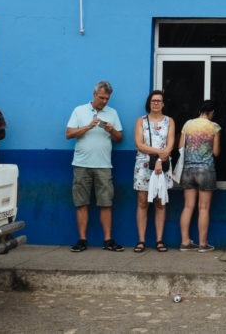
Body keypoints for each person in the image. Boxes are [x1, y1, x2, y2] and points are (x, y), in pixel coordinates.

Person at [65, 81, 124, 252]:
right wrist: (88, 126)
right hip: (81, 164)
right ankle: (82, 240)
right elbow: (69, 134)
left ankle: (108, 240)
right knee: (81, 203)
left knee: (106, 203)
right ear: (94, 94)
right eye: (101, 98)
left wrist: (112, 130)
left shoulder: (112, 113)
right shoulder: (79, 110)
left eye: (107, 99)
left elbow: (119, 138)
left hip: (104, 165)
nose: (104, 101)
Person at [133, 90, 175, 253]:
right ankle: (141, 240)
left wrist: (160, 159)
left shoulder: (169, 121)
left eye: (159, 101)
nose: (156, 103)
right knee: (142, 202)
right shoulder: (141, 121)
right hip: (144, 165)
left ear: (163, 104)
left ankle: (159, 240)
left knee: (160, 202)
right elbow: (139, 144)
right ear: (149, 103)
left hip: (162, 164)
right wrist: (159, 153)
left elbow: (170, 143)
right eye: (153, 101)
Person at [178, 100, 220, 252]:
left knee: (188, 206)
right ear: (212, 113)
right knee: (203, 208)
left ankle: (185, 242)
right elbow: (216, 152)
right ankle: (203, 244)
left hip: (188, 169)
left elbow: (180, 147)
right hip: (206, 170)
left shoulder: (188, 124)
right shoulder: (214, 127)